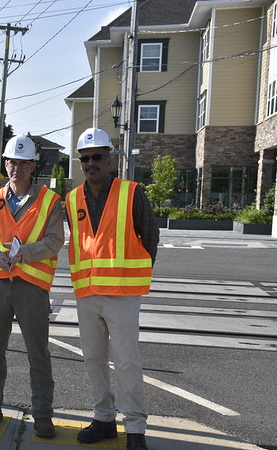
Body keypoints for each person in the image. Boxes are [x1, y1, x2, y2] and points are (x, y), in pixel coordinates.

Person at [66, 128, 159, 450]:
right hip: (87, 293)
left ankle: (135, 429)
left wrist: (131, 277)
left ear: (110, 159)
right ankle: (103, 419)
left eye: (97, 157)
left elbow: (150, 238)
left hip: (121, 294)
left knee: (127, 361)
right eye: (85, 158)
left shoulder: (132, 193)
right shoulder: (72, 198)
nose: (91, 163)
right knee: (93, 358)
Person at [0, 135, 64, 439]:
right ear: (5, 164)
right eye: (12, 162)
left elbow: (55, 240)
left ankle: (43, 414)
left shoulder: (50, 201)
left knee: (38, 352)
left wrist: (27, 254)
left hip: (32, 284)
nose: (16, 168)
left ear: (33, 165)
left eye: (23, 163)